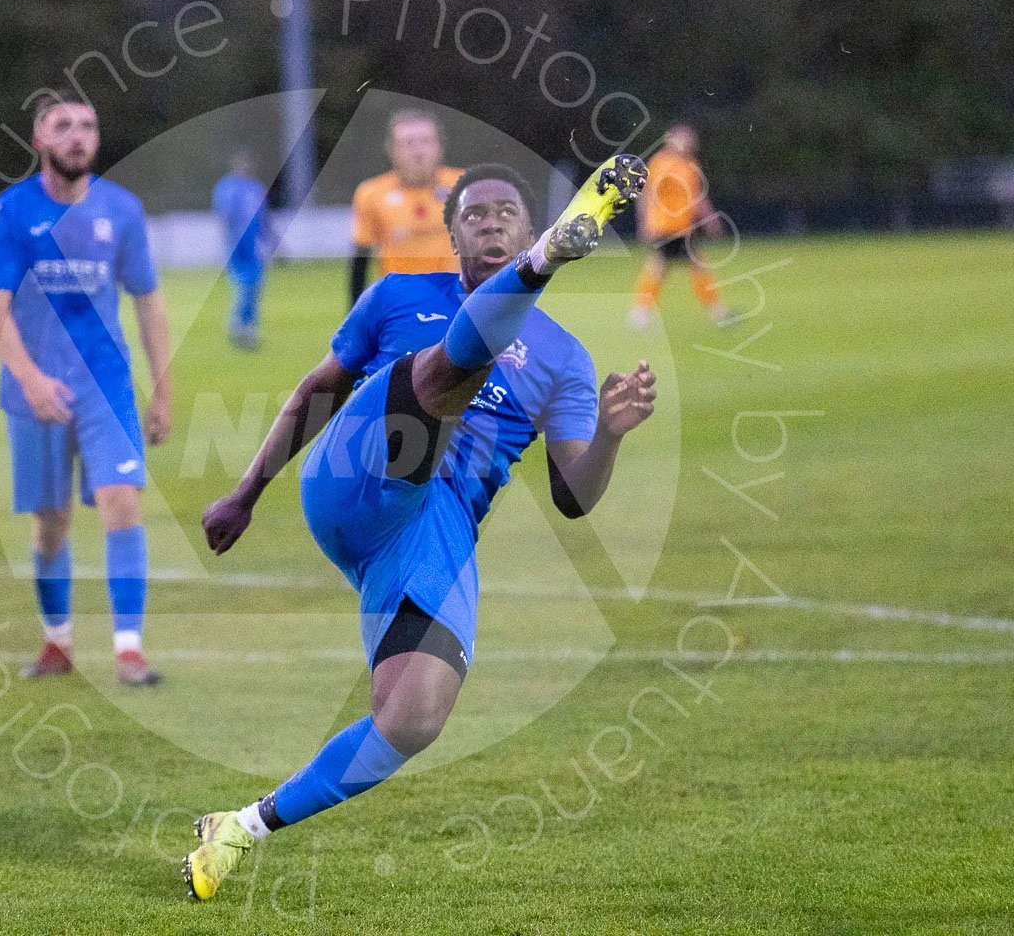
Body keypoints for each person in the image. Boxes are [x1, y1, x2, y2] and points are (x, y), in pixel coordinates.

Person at [185, 156, 655, 900]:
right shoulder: (397, 295)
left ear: (526, 227)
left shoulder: (565, 357)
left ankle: (242, 827)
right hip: (358, 472)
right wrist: (246, 492)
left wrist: (610, 436)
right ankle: (546, 266)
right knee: (440, 380)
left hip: (433, 531)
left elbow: (574, 498)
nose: (491, 223)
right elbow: (315, 392)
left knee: (413, 717)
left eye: (507, 214)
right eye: (475, 215)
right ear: (452, 234)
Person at [0, 94, 173, 686]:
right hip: (34, 389)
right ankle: (57, 641)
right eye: (62, 125)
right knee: (51, 524)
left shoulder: (122, 210)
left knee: (122, 503)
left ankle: (129, 651)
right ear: (40, 139)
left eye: (87, 125)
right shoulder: (12, 212)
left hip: (104, 384)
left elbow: (148, 302)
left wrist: (162, 390)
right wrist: (31, 380)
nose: (77, 135)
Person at [347, 109, 464, 308]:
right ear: (391, 150)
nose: (418, 152)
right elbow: (360, 262)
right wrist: (357, 316)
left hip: (458, 304)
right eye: (408, 143)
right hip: (400, 306)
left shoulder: (466, 186)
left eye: (426, 141)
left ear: (440, 146)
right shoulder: (371, 193)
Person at [630, 124, 731, 328]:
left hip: (684, 227)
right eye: (682, 139)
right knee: (660, 267)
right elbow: (648, 194)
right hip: (663, 226)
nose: (687, 143)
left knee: (687, 266)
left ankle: (716, 310)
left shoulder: (690, 165)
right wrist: (645, 222)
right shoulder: (661, 162)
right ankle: (641, 312)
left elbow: (697, 196)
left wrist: (710, 219)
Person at [211, 151, 271, 349]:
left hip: (254, 244)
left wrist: (267, 238)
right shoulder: (227, 187)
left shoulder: (255, 187)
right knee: (244, 284)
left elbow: (263, 216)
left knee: (256, 285)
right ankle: (239, 326)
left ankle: (248, 326)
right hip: (237, 244)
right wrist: (230, 240)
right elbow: (224, 215)